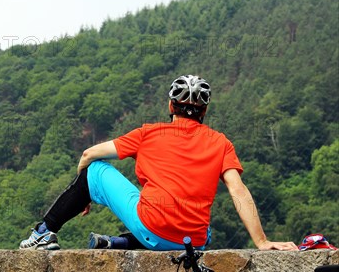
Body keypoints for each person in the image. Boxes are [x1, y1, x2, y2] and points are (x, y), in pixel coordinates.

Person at [20, 75, 298, 251]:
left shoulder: (149, 133)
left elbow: (88, 155)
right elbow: (239, 191)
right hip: (194, 243)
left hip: (152, 229)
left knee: (95, 170)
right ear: (205, 110)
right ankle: (117, 243)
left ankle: (42, 233)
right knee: (202, 227)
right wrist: (261, 242)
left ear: (170, 106)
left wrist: (83, 192)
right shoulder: (221, 142)